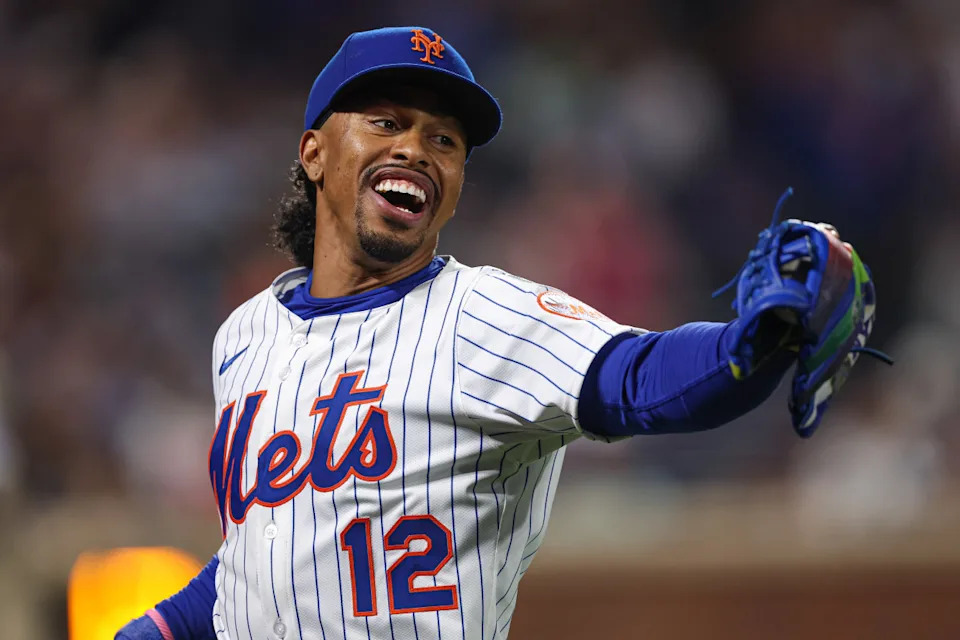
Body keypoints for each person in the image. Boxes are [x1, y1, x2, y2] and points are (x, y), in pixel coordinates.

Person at [116, 25, 875, 640]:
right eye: (387, 121)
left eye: (444, 140)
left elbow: (639, 380)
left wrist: (755, 342)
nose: (416, 148)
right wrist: (163, 626)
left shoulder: (484, 317)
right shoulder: (244, 337)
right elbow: (269, 546)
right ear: (314, 151)